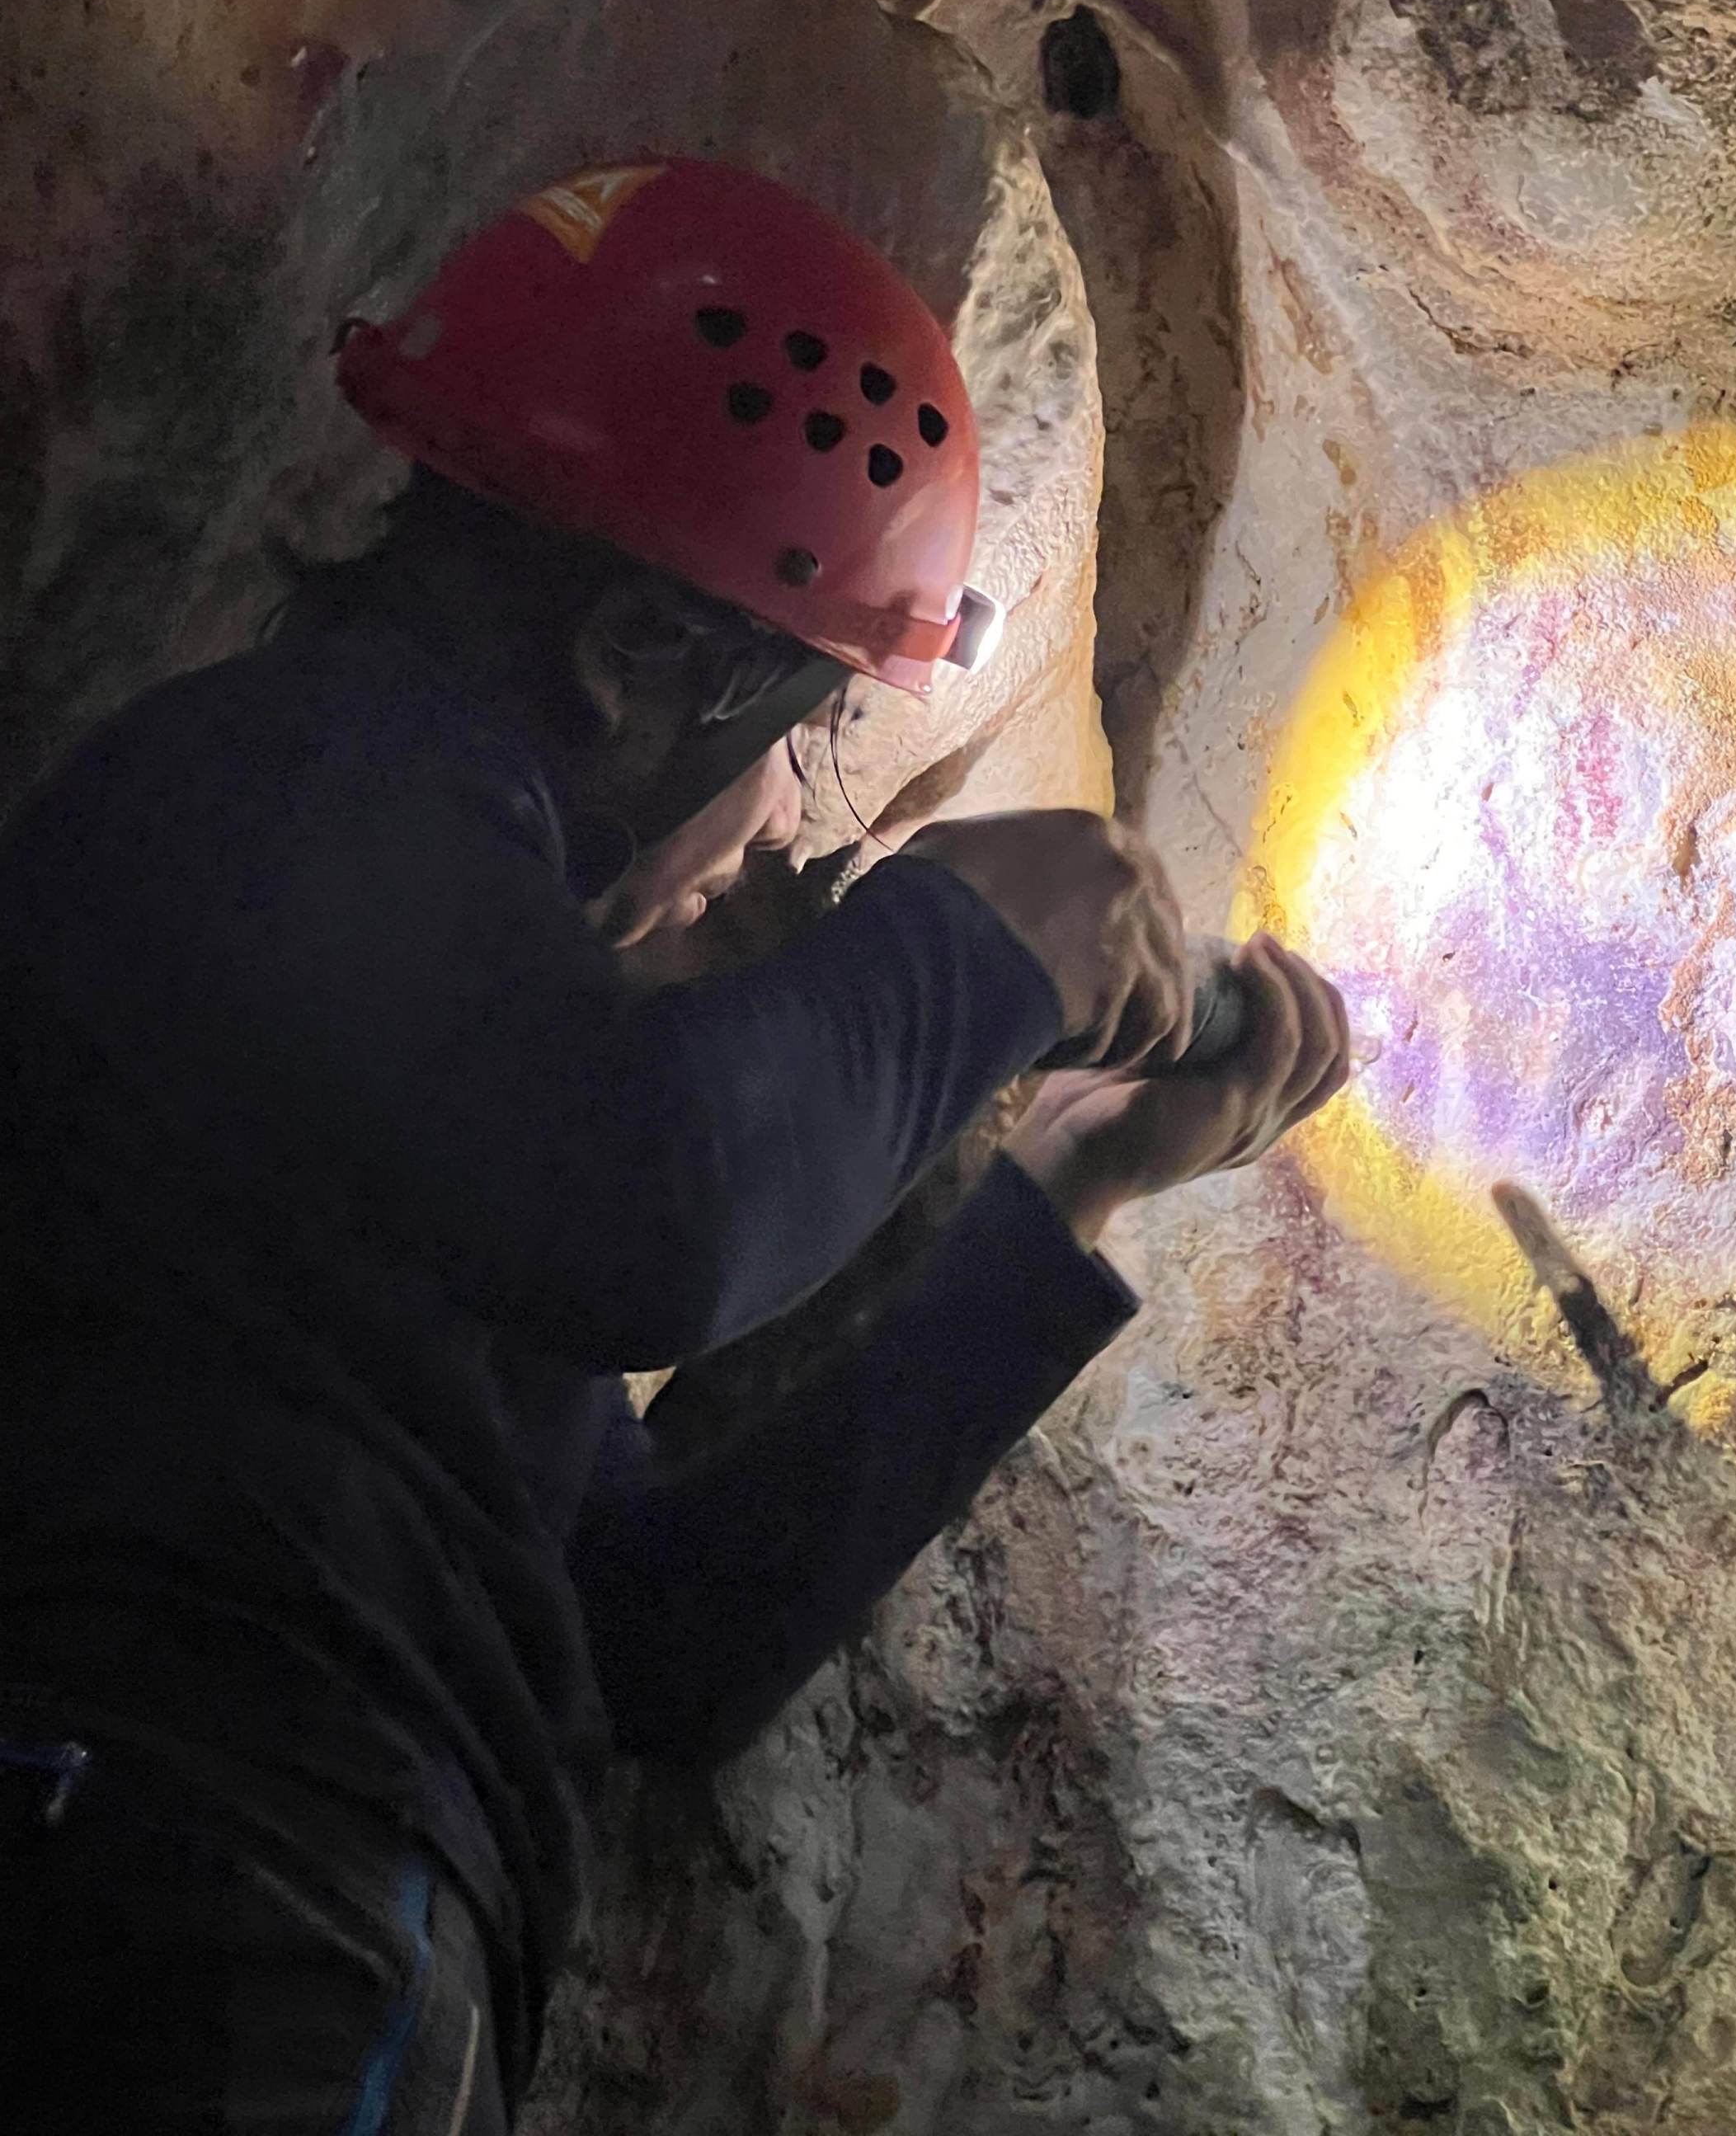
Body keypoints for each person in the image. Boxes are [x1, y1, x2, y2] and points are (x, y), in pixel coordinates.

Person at [0, 159, 1348, 2133]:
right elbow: (654, 1208)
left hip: (262, 1895)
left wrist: (1064, 1199)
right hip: (171, 1872)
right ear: (636, 665)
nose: (787, 816)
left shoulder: (427, 1064)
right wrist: (982, 932)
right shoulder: (286, 788)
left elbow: (655, 1640)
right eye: (798, 736)